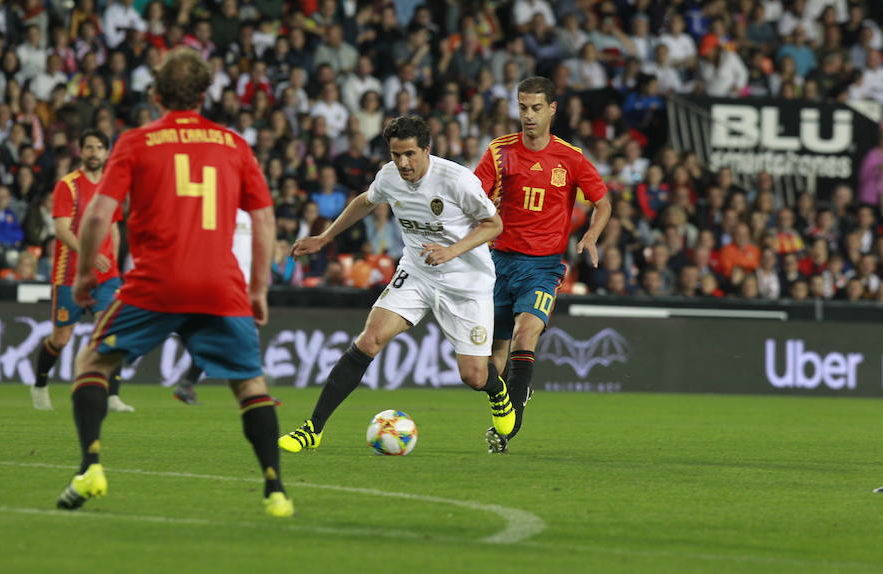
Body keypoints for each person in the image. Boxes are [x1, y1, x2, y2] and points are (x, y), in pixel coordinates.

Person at [54, 49, 292, 518]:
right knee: (249, 385)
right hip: (220, 285)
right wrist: (259, 288)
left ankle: (91, 467)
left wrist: (84, 276)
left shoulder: (136, 141)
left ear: (157, 93)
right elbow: (264, 220)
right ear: (203, 94)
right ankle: (276, 490)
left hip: (155, 283)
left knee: (92, 361)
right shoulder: (233, 144)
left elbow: (100, 213)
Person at [278, 115, 514, 453]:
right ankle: (312, 429)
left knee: (474, 376)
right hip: (417, 273)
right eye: (395, 154)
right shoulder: (389, 176)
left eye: (409, 155)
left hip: (466, 282)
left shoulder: (457, 180)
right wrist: (325, 237)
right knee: (368, 340)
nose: (402, 163)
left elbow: (494, 224)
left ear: (426, 150)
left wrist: (451, 251)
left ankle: (497, 391)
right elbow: (364, 201)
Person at [474, 76, 610, 453]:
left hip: (544, 267)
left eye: (535, 108)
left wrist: (590, 236)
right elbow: (473, 196)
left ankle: (507, 429)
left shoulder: (571, 157)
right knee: (492, 363)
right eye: (522, 108)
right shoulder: (500, 151)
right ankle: (514, 396)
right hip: (498, 263)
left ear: (552, 109)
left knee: (525, 334)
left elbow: (604, 202)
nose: (528, 116)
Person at [30, 130, 134, 413]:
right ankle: (39, 385)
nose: (94, 153)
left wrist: (112, 261)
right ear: (81, 151)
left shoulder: (113, 186)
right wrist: (90, 255)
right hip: (71, 274)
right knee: (60, 339)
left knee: (110, 331)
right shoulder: (68, 186)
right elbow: (61, 230)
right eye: (89, 147)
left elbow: (114, 227)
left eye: (100, 148)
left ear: (106, 152)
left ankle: (112, 395)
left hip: (106, 275)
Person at [171, 208, 252, 406]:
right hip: (223, 283)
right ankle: (252, 391)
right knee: (234, 337)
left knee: (226, 339)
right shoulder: (216, 211)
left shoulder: (247, 217)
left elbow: (249, 252)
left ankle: (187, 383)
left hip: (243, 286)